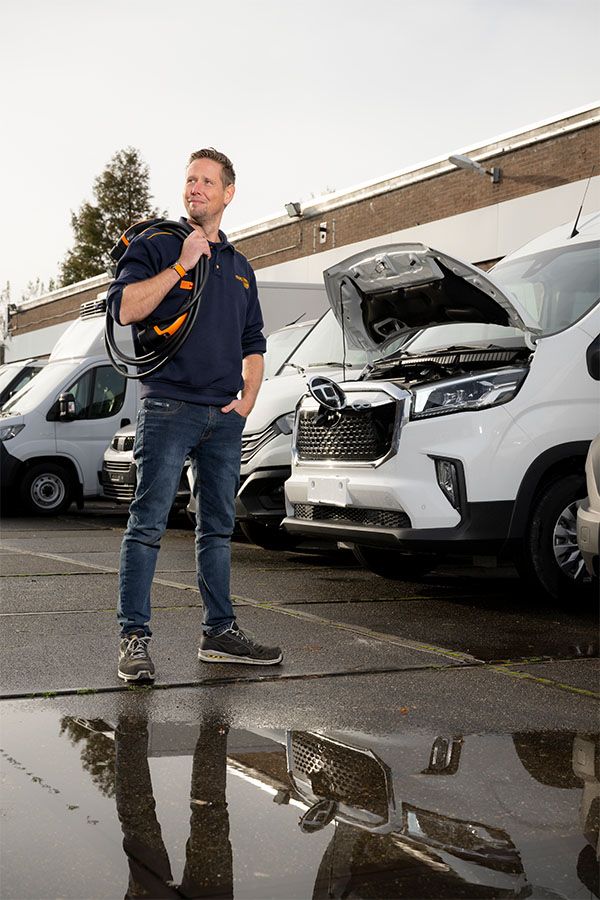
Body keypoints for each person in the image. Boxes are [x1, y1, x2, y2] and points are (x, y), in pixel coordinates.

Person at [107, 147, 283, 682]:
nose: (196, 188)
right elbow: (125, 308)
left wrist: (250, 396)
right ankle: (134, 639)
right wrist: (182, 263)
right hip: (167, 405)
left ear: (228, 193)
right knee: (148, 523)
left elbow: (254, 341)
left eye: (208, 181)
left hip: (223, 417)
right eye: (190, 180)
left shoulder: (240, 268)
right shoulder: (157, 244)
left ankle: (219, 633)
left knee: (217, 528)